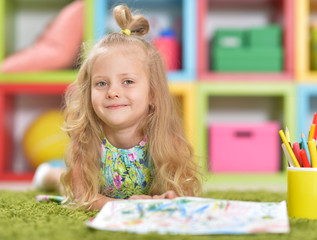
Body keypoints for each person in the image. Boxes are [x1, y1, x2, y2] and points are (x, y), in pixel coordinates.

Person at [32, 5, 202, 210]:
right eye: (102, 83)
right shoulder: (87, 139)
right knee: (61, 180)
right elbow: (82, 198)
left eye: (128, 82)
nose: (112, 92)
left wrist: (169, 197)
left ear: (153, 94)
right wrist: (124, 206)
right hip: (95, 189)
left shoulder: (166, 138)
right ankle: (47, 174)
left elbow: (185, 195)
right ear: (88, 92)